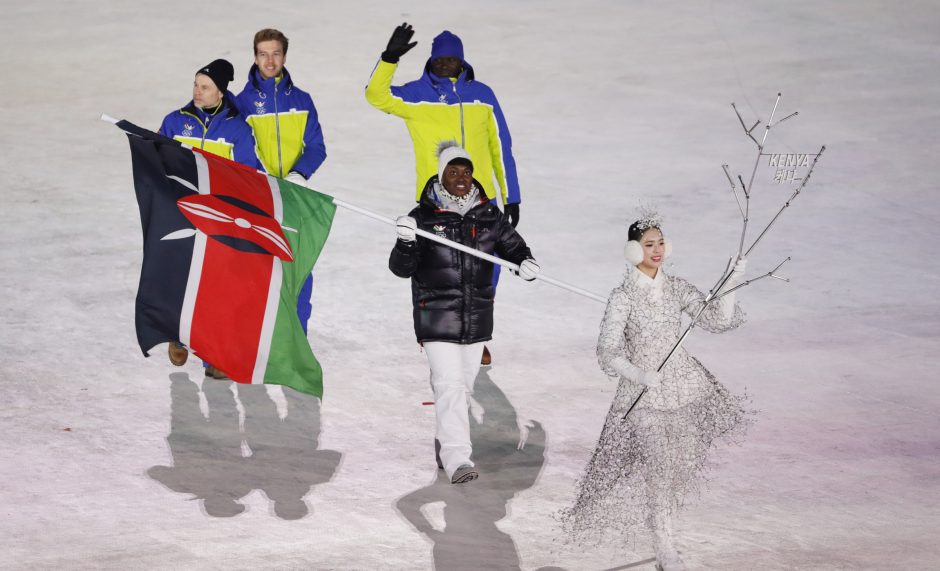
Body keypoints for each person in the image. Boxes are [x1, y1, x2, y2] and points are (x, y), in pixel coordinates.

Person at [559, 215, 751, 571]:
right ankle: (664, 545)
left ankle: (663, 526)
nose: (657, 250)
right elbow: (607, 350)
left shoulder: (676, 288)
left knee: (677, 468)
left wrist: (734, 281)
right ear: (634, 250)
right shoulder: (622, 298)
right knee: (659, 467)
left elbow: (717, 320)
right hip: (643, 395)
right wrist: (639, 374)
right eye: (649, 244)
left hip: (684, 388)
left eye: (660, 242)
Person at [368, 24, 523, 366]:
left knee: (485, 271)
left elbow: (501, 145)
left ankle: (478, 338)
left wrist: (511, 195)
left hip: (481, 201)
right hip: (437, 204)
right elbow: (376, 96)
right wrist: (389, 58)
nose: (445, 64)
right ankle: (438, 333)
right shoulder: (415, 95)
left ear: (462, 62)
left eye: (451, 59)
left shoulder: (482, 95)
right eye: (439, 60)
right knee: (438, 270)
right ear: (430, 62)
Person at [388, 143, 540, 484]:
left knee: (462, 389)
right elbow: (401, 268)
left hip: (476, 319)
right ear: (441, 175)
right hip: (436, 317)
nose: (461, 178)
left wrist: (524, 262)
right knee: (449, 386)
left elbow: (512, 245)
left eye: (466, 171)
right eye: (453, 172)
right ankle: (458, 459)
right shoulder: (423, 217)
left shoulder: (488, 214)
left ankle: (445, 442)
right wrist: (406, 242)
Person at [159, 58, 260, 373]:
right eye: (195, 84)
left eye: (205, 87)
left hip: (219, 218)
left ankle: (214, 354)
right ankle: (179, 335)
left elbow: (249, 175)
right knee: (181, 279)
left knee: (217, 287)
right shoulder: (175, 122)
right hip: (183, 214)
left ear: (220, 92)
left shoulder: (238, 130)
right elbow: (159, 159)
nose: (197, 92)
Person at [235, 28, 327, 336]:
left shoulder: (302, 100)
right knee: (251, 273)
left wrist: (298, 175)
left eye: (275, 53)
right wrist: (260, 180)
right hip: (256, 199)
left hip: (293, 199)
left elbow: (316, 146)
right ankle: (250, 341)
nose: (270, 60)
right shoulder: (241, 103)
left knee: (298, 271)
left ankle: (295, 339)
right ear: (255, 56)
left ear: (284, 56)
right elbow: (239, 149)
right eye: (263, 54)